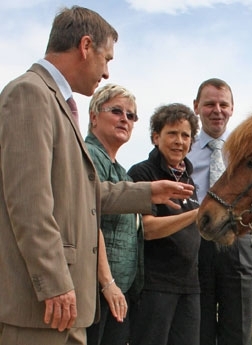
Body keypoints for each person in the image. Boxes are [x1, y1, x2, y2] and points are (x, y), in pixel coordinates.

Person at [0, 7, 193, 345]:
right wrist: (54, 281)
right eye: (106, 59)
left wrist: (148, 192)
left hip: (67, 307)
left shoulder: (56, 101)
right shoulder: (29, 93)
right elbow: (28, 202)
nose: (106, 72)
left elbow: (85, 194)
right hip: (40, 306)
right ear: (85, 46)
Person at [186, 78, 252, 345]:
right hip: (195, 241)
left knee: (238, 331)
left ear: (232, 108)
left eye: (223, 104)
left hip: (238, 241)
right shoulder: (184, 148)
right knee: (198, 328)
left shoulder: (245, 152)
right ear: (196, 107)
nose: (217, 110)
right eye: (210, 104)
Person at [128, 103, 201, 345]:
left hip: (190, 286)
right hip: (154, 285)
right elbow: (147, 229)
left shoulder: (190, 180)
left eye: (185, 135)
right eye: (172, 133)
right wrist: (198, 214)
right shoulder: (142, 173)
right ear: (155, 137)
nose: (179, 141)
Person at [84, 84, 143, 345]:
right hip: (94, 291)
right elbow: (86, 220)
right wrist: (107, 283)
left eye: (131, 116)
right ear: (94, 116)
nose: (125, 119)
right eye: (117, 111)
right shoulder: (87, 156)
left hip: (117, 293)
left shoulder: (122, 172)